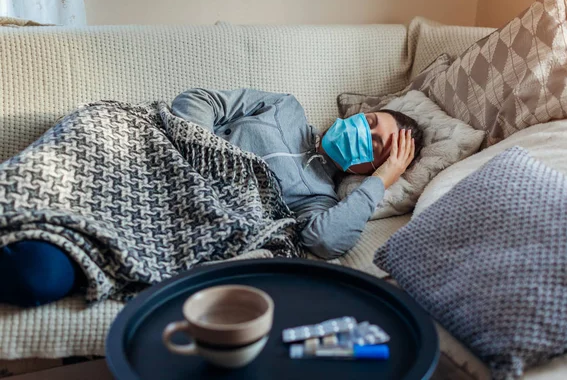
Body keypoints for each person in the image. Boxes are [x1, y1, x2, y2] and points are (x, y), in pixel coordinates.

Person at [0, 88, 422, 307]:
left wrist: (384, 180)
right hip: (140, 149)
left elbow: (326, 241)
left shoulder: (319, 197)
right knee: (38, 179)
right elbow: (198, 101)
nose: (362, 135)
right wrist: (203, 149)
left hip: (167, 213)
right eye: (369, 123)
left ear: (367, 169)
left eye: (377, 148)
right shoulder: (284, 108)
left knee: (39, 276)